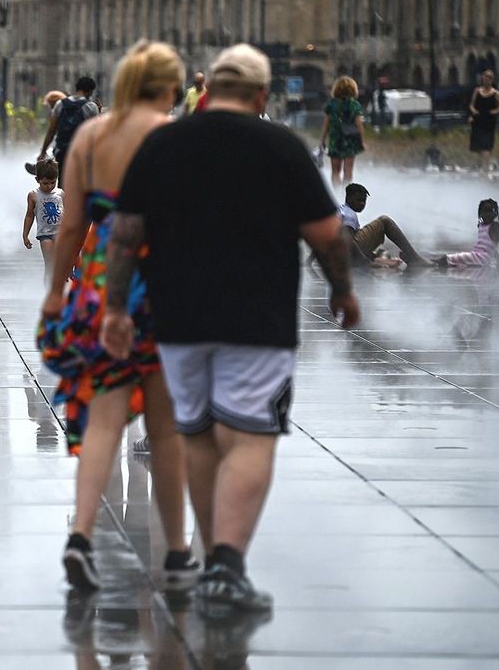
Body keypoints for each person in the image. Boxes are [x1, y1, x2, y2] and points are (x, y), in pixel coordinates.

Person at [99, 44, 359, 614]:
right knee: (250, 435)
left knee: (197, 434)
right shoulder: (282, 147)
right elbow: (327, 233)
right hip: (257, 318)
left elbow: (124, 233)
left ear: (208, 90)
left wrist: (115, 309)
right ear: (262, 96)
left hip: (178, 318)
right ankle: (226, 563)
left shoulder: (162, 144)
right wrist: (342, 291)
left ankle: (214, 553)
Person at [38, 42, 195, 593]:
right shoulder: (179, 139)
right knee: (165, 426)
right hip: (166, 284)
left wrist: (58, 290)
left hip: (103, 281)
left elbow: (74, 224)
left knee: (102, 417)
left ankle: (82, 535)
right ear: (170, 87)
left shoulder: (91, 138)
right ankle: (175, 551)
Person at [338, 183, 431, 269]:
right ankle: (414, 258)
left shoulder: (343, 210)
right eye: (358, 200)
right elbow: (348, 239)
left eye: (364, 201)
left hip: (340, 252)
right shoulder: (349, 214)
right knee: (384, 221)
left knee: (381, 251)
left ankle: (410, 257)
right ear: (348, 198)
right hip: (345, 254)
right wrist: (365, 262)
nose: (362, 204)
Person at [37, 76, 99, 182]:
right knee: (78, 184)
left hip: (61, 151)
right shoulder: (91, 106)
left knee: (62, 184)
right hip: (80, 153)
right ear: (90, 91)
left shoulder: (60, 104)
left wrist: (43, 151)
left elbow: (51, 131)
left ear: (76, 88)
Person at [435, 198, 499, 268]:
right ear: (480, 213)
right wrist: (498, 260)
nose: (486, 214)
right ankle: (433, 263)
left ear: (494, 213)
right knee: (444, 260)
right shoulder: (481, 226)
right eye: (484, 211)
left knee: (445, 259)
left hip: (481, 259)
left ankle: (432, 264)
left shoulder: (496, 226)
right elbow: (489, 247)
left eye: (489, 211)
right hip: (476, 255)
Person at [21, 158, 62, 280]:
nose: (49, 186)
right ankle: (49, 289)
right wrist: (25, 234)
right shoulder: (34, 195)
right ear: (37, 180)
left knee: (61, 262)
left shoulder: (60, 194)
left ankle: (59, 285)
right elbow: (29, 215)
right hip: (45, 235)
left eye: (52, 182)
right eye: (45, 183)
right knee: (49, 264)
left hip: (61, 233)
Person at [321, 75, 365, 186]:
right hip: (350, 139)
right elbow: (359, 125)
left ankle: (337, 195)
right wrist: (362, 141)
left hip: (335, 139)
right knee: (348, 170)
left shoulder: (331, 105)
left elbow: (326, 125)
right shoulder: (355, 105)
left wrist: (322, 140)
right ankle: (346, 195)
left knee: (335, 171)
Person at [469, 70, 499, 173]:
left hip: (489, 121)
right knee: (478, 147)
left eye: (488, 79)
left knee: (487, 146)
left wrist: (495, 111)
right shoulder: (477, 91)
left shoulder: (495, 93)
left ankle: (485, 170)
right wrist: (473, 111)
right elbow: (471, 104)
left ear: (491, 80)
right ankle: (483, 166)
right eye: (484, 78)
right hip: (478, 120)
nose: (485, 80)